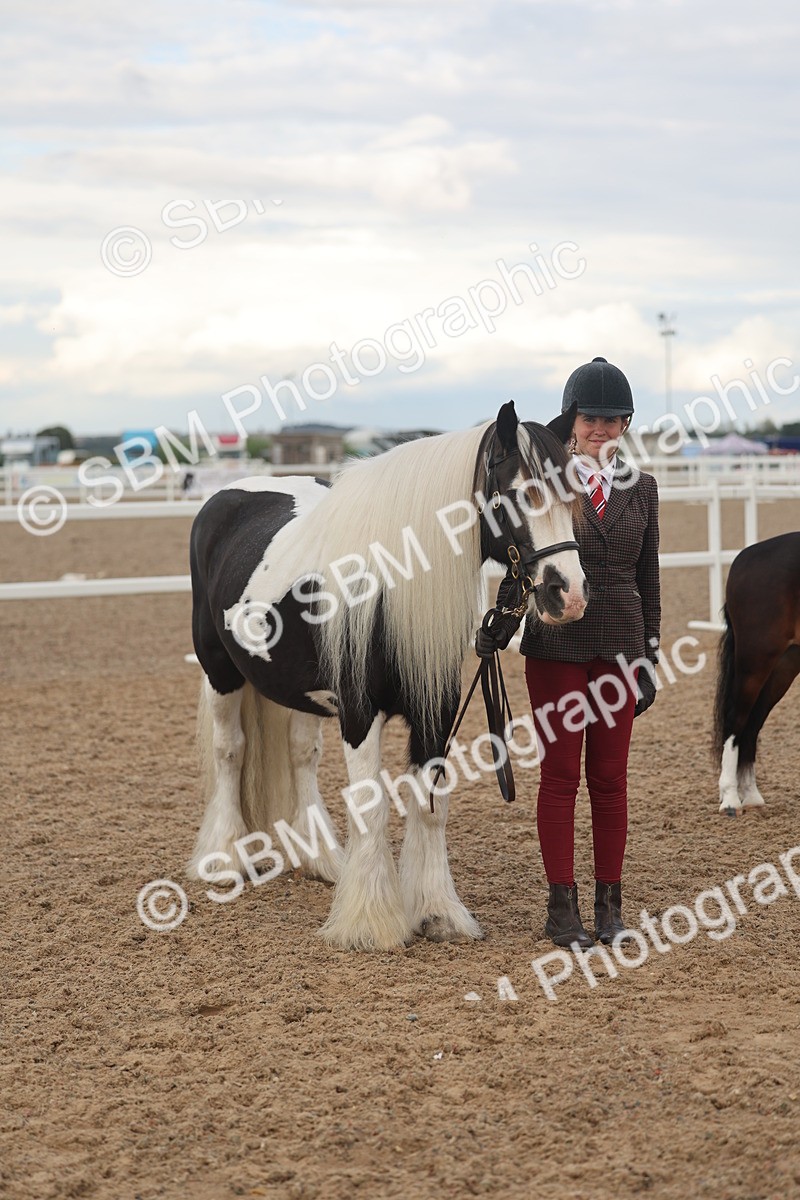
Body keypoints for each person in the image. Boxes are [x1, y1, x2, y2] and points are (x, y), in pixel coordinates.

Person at [477, 357, 661, 949]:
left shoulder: (643, 489)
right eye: (590, 419)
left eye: (613, 420)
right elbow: (522, 558)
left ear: (626, 424)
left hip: (621, 647)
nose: (601, 431)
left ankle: (610, 905)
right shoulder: (545, 485)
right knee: (559, 778)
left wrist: (649, 654)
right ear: (570, 421)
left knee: (610, 781)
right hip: (557, 644)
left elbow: (648, 577)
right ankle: (563, 911)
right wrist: (502, 621)